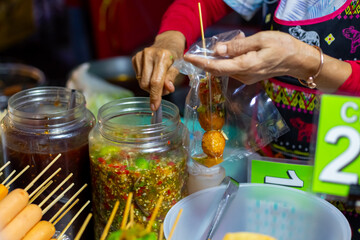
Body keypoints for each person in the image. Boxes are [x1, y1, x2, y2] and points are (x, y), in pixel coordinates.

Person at [132, 0, 360, 237]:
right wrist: (170, 39)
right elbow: (203, 5)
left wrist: (309, 62)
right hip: (274, 163)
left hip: (348, 174)